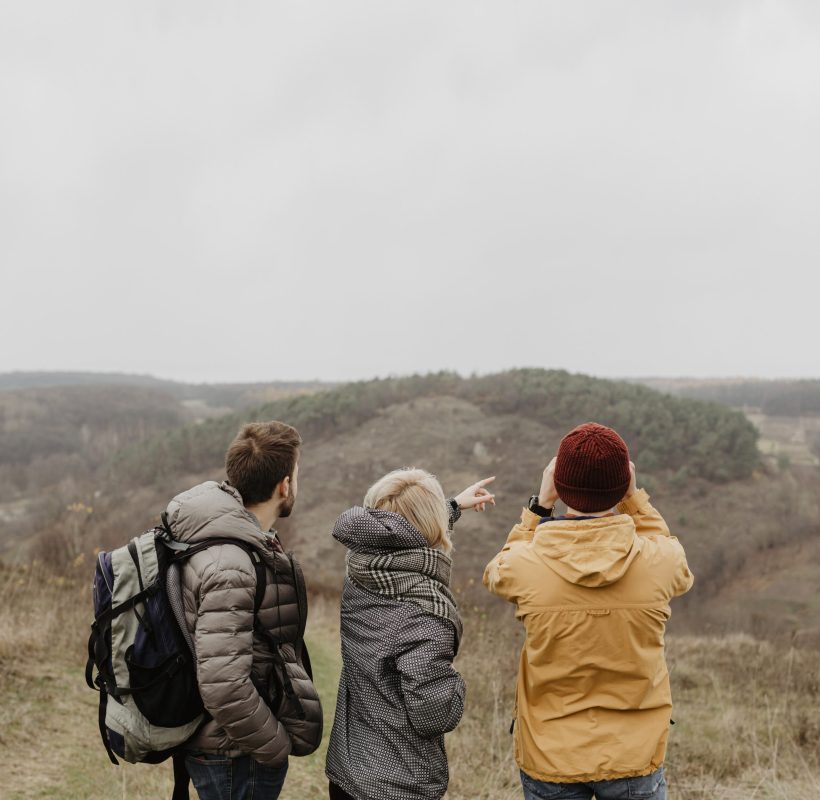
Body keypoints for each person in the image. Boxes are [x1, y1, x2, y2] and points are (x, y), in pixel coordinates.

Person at [484, 422, 694, 800]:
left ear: (558, 483)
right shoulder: (661, 561)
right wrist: (635, 500)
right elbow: (667, 548)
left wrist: (539, 507)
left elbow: (498, 570)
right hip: (634, 751)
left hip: (550, 751)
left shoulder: (524, 565)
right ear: (624, 482)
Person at [163, 421, 322, 800]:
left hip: (229, 747)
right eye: (296, 475)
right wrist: (273, 746)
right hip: (234, 754)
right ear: (284, 485)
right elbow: (224, 685)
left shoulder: (234, 541)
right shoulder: (231, 563)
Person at [325, 468, 496, 800]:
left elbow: (396, 534)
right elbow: (433, 715)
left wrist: (452, 506)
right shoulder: (426, 614)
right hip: (398, 783)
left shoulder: (360, 571)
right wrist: (458, 685)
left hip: (349, 769)